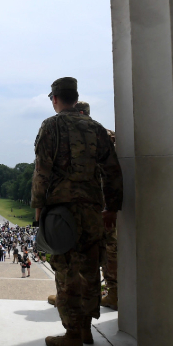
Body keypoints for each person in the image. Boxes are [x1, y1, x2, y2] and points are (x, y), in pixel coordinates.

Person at [33, 78, 123, 346]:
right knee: (89, 268)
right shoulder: (96, 128)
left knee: (66, 271)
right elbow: (112, 171)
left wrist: (38, 208)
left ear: (55, 99)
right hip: (93, 209)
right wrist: (112, 208)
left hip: (63, 209)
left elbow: (42, 171)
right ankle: (85, 328)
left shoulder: (51, 126)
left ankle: (72, 334)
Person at [48, 101, 121, 310]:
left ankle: (70, 295)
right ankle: (110, 293)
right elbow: (114, 172)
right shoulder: (106, 134)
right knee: (107, 250)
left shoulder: (66, 134)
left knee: (70, 251)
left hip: (77, 202)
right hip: (103, 203)